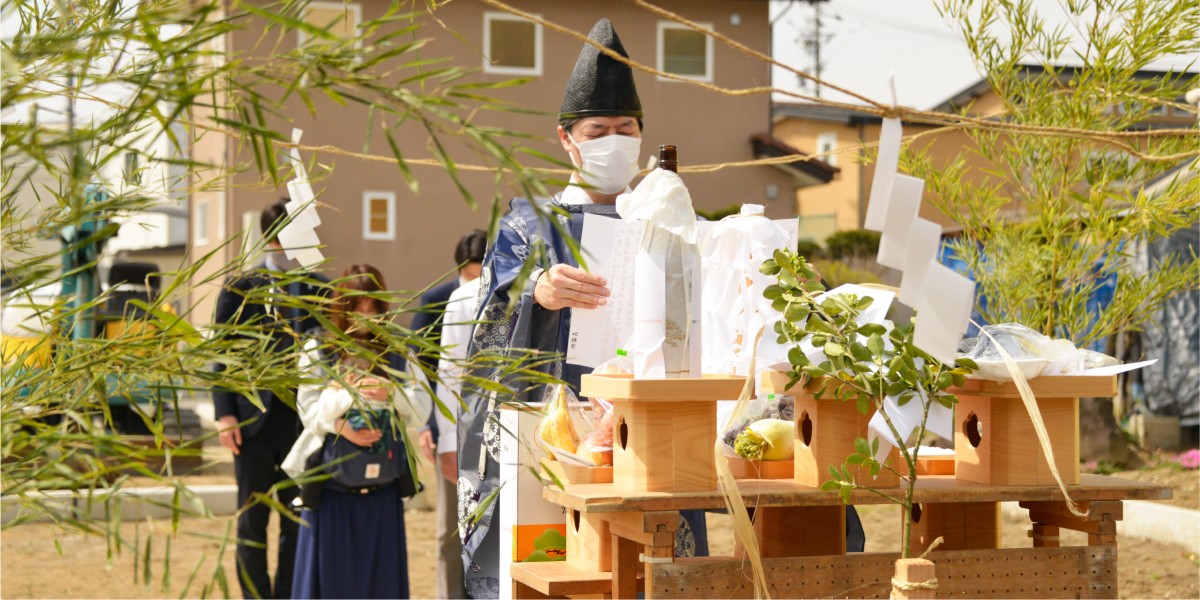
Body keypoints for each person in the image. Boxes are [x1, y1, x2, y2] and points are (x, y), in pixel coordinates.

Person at [455, 19, 709, 598]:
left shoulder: (665, 219)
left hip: (646, 423)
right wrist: (536, 291)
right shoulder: (529, 220)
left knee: (650, 566)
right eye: (599, 130)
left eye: (626, 129)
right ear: (567, 138)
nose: (614, 140)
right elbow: (491, 321)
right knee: (566, 569)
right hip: (559, 430)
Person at [212, 198, 328, 599]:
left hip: (301, 423)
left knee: (297, 517)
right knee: (252, 521)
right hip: (252, 421)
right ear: (273, 236)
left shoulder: (320, 287)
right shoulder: (239, 285)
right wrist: (224, 414)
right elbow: (221, 353)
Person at [284, 264, 415, 599]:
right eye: (358, 305)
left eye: (373, 306)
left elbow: (421, 408)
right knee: (330, 581)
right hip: (331, 489)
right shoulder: (319, 346)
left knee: (380, 582)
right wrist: (340, 424)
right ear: (342, 306)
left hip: (383, 487)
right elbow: (308, 409)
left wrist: (392, 394)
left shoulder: (397, 347)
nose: (366, 314)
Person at [412, 229, 487, 599]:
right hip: (445, 423)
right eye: (469, 276)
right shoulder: (437, 300)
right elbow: (429, 372)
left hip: (487, 428)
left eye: (481, 275)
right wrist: (432, 427)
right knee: (449, 529)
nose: (475, 283)